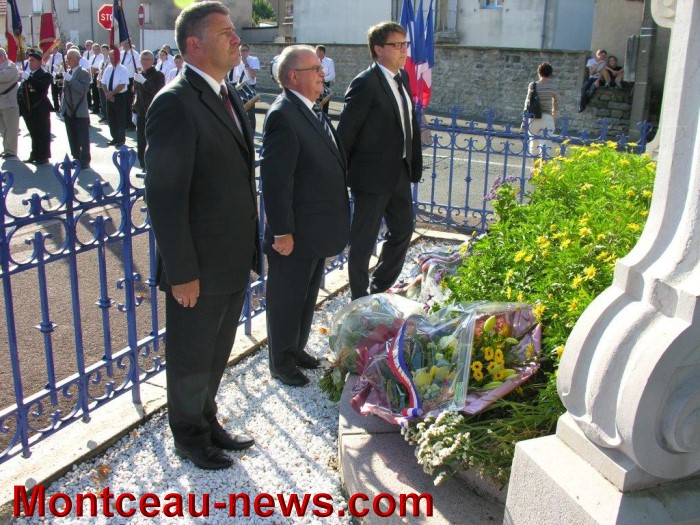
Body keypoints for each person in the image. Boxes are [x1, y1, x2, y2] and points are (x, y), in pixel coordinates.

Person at [145, 0, 259, 471]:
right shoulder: (174, 102)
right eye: (225, 32)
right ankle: (189, 437)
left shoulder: (226, 93)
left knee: (216, 352)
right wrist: (182, 272)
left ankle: (206, 420)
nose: (237, 39)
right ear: (194, 44)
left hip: (231, 258)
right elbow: (165, 197)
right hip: (198, 265)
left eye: (234, 31)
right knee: (191, 357)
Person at [260, 45, 350, 387]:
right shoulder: (283, 114)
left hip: (314, 229)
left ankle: (295, 348)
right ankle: (281, 362)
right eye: (315, 69)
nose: (322, 74)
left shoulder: (310, 108)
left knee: (306, 295)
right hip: (294, 232)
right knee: (286, 299)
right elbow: (276, 180)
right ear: (294, 76)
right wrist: (281, 231)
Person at [337, 21, 422, 300]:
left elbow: (406, 121)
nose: (404, 50)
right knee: (364, 239)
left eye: (405, 44)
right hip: (371, 176)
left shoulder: (402, 78)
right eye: (397, 45)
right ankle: (360, 297)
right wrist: (339, 174)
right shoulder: (365, 84)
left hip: (399, 170)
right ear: (378, 49)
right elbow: (347, 133)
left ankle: (380, 287)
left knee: (403, 229)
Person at [132, 50, 164, 173]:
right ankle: (143, 165)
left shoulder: (158, 75)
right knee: (141, 142)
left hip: (153, 113)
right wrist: (134, 110)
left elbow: (157, 92)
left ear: (153, 61)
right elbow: (136, 94)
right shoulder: (138, 75)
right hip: (140, 112)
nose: (145, 62)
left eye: (147, 59)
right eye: (143, 59)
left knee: (152, 141)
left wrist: (144, 82)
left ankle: (153, 166)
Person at [60, 49, 92, 169]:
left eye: (69, 58)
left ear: (77, 59)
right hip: (68, 109)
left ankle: (85, 160)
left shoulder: (84, 73)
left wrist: (71, 80)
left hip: (79, 110)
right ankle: (76, 157)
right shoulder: (68, 72)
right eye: (67, 58)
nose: (67, 61)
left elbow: (83, 89)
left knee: (82, 137)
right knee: (72, 136)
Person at [19, 51, 53, 165]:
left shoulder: (45, 75)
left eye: (32, 61)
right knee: (34, 133)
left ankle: (43, 156)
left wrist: (29, 78)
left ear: (39, 62)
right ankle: (35, 154)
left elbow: (41, 87)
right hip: (29, 110)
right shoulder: (29, 75)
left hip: (40, 108)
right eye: (29, 61)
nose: (30, 63)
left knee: (42, 133)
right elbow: (22, 92)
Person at [523, 62, 560, 158]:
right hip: (547, 117)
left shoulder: (533, 85)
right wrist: (553, 117)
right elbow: (556, 104)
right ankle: (543, 167)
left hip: (534, 117)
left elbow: (527, 103)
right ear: (550, 74)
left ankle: (535, 167)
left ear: (539, 73)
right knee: (545, 147)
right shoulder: (553, 87)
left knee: (534, 146)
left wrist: (524, 120)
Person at [101, 49, 129, 147]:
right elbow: (103, 82)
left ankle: (121, 139)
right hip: (109, 95)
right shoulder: (108, 69)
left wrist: (112, 94)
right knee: (111, 118)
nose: (111, 60)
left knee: (120, 118)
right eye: (110, 58)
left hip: (119, 96)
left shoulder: (123, 69)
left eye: (113, 58)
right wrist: (107, 94)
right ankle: (114, 137)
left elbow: (122, 84)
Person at [229, 43, 259, 129]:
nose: (243, 52)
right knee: (239, 110)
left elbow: (252, 75)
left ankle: (252, 132)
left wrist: (245, 62)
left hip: (249, 87)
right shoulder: (237, 60)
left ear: (249, 51)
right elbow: (235, 76)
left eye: (245, 50)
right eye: (241, 50)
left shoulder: (253, 60)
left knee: (250, 111)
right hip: (239, 87)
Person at [0, 48, 20, 160]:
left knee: (11, 128)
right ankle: (6, 148)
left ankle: (11, 150)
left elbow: (3, 77)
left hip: (9, 102)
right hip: (1, 103)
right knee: (3, 128)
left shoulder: (10, 66)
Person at [119, 42, 141, 131]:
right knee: (123, 102)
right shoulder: (121, 53)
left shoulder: (134, 54)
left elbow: (138, 69)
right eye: (123, 43)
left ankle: (131, 124)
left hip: (131, 80)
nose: (124, 45)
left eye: (126, 43)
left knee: (130, 103)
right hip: (122, 80)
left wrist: (135, 83)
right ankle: (125, 122)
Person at [315, 45, 335, 114]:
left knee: (325, 106)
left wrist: (323, 79)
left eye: (316, 51)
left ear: (321, 52)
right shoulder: (315, 61)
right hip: (316, 85)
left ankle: (325, 119)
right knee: (316, 106)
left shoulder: (329, 61)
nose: (315, 53)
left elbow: (332, 75)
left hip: (325, 85)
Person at [44, 47, 63, 112]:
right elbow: (47, 65)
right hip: (52, 75)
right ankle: (56, 107)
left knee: (60, 92)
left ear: (56, 49)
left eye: (53, 48)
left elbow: (63, 66)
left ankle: (62, 107)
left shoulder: (60, 56)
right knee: (54, 92)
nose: (52, 50)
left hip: (58, 75)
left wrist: (58, 67)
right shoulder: (50, 56)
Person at [88, 43, 104, 114]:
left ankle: (101, 108)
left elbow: (102, 67)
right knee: (94, 92)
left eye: (97, 49)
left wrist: (96, 69)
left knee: (98, 93)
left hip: (98, 75)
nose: (96, 51)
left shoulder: (102, 57)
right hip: (92, 75)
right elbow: (89, 66)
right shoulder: (92, 57)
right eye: (94, 49)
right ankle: (95, 108)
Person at [96, 44, 110, 122]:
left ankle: (108, 116)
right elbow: (100, 71)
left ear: (108, 50)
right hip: (101, 80)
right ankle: (104, 115)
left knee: (107, 99)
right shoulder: (101, 61)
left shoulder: (110, 60)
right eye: (102, 50)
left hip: (107, 82)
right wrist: (98, 79)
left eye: (104, 50)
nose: (103, 51)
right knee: (102, 99)